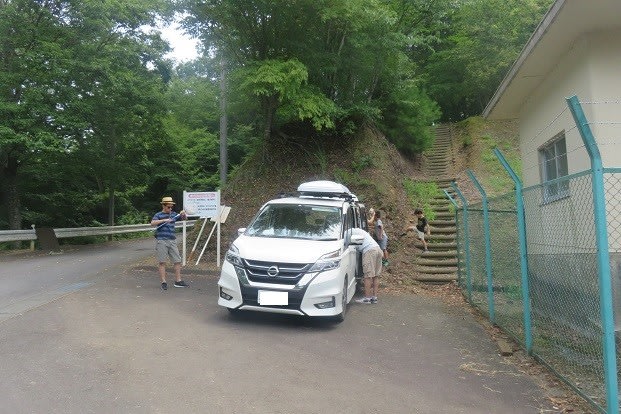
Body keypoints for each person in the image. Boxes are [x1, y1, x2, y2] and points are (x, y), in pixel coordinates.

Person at [151, 196, 188, 290]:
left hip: (172, 240)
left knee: (177, 261)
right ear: (163, 206)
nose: (170, 209)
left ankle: (178, 281)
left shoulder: (174, 214)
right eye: (168, 207)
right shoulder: (158, 214)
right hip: (162, 240)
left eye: (171, 207)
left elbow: (184, 219)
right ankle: (164, 282)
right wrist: (164, 220)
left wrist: (183, 214)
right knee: (162, 262)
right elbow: (152, 223)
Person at [351, 227, 383, 304]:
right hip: (378, 249)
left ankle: (367, 298)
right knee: (376, 275)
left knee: (367, 275)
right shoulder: (360, 231)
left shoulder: (347, 233)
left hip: (369, 251)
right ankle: (374, 297)